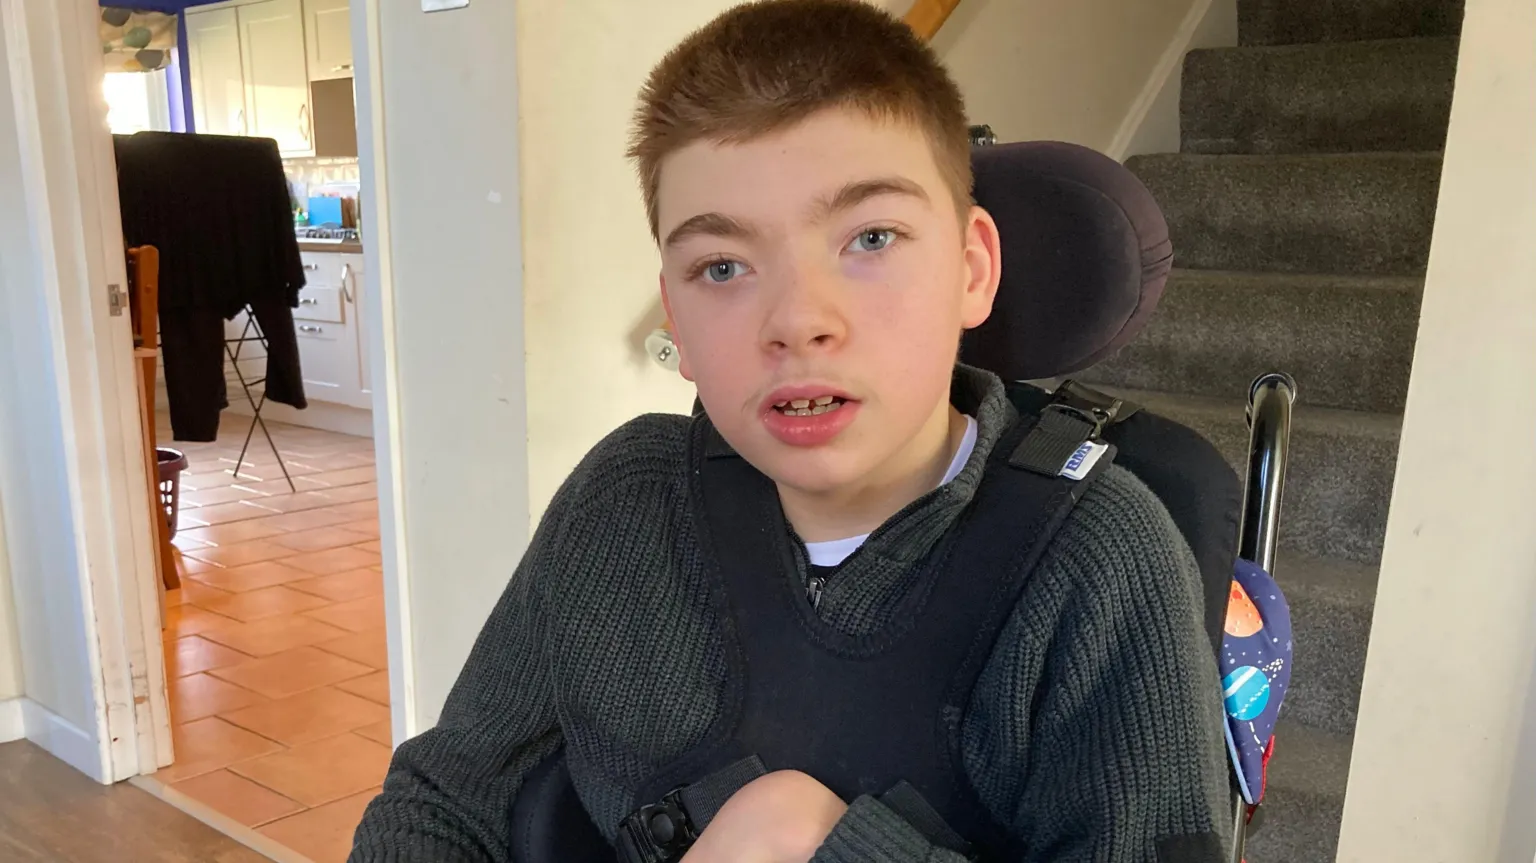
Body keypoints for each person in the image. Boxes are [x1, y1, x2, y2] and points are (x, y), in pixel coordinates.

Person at [348, 1, 1231, 860]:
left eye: (871, 237)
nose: (798, 319)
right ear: (678, 325)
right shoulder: (624, 504)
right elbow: (444, 797)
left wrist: (815, 840)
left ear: (970, 268)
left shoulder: (1098, 566)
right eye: (722, 266)